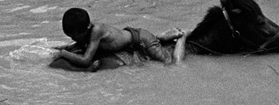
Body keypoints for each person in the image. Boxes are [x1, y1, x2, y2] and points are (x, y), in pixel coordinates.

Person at [54, 7, 188, 69]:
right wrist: (68, 47)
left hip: (141, 38)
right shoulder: (87, 31)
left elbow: (86, 60)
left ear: (87, 28)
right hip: (131, 36)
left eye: (75, 36)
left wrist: (63, 53)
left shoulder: (96, 31)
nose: (74, 40)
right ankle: (161, 36)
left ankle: (182, 36)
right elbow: (82, 44)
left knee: (173, 64)